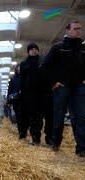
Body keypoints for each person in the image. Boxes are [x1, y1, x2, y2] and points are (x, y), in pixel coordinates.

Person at [43, 21, 85, 157]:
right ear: (67, 30)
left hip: (79, 87)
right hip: (63, 87)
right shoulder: (58, 47)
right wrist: (53, 83)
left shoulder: (83, 49)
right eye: (75, 29)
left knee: (80, 117)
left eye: (80, 29)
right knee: (59, 116)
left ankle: (81, 149)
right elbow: (45, 66)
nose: (78, 31)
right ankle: (56, 143)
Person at [19, 42, 43, 145]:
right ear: (28, 52)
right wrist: (22, 92)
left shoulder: (42, 62)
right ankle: (30, 136)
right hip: (28, 94)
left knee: (38, 116)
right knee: (30, 116)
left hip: (41, 93)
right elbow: (22, 79)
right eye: (31, 49)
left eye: (35, 48)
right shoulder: (24, 64)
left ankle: (37, 137)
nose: (34, 50)